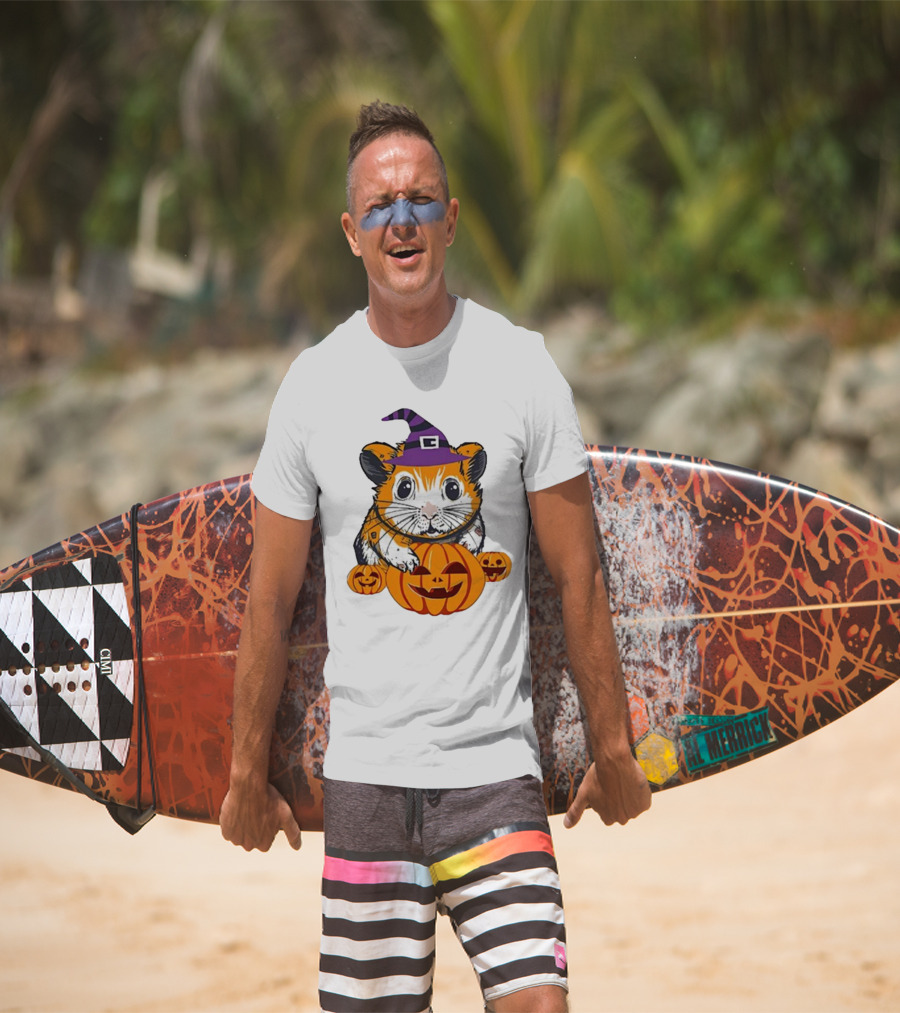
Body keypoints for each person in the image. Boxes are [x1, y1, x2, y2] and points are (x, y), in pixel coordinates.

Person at [220, 100, 651, 1013]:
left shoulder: (522, 367)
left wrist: (612, 746)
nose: (402, 220)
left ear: (451, 219)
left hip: (495, 772)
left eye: (421, 200)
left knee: (540, 1003)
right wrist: (242, 773)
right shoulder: (314, 387)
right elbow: (269, 600)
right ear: (351, 232)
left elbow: (579, 574)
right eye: (380, 206)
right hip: (368, 779)